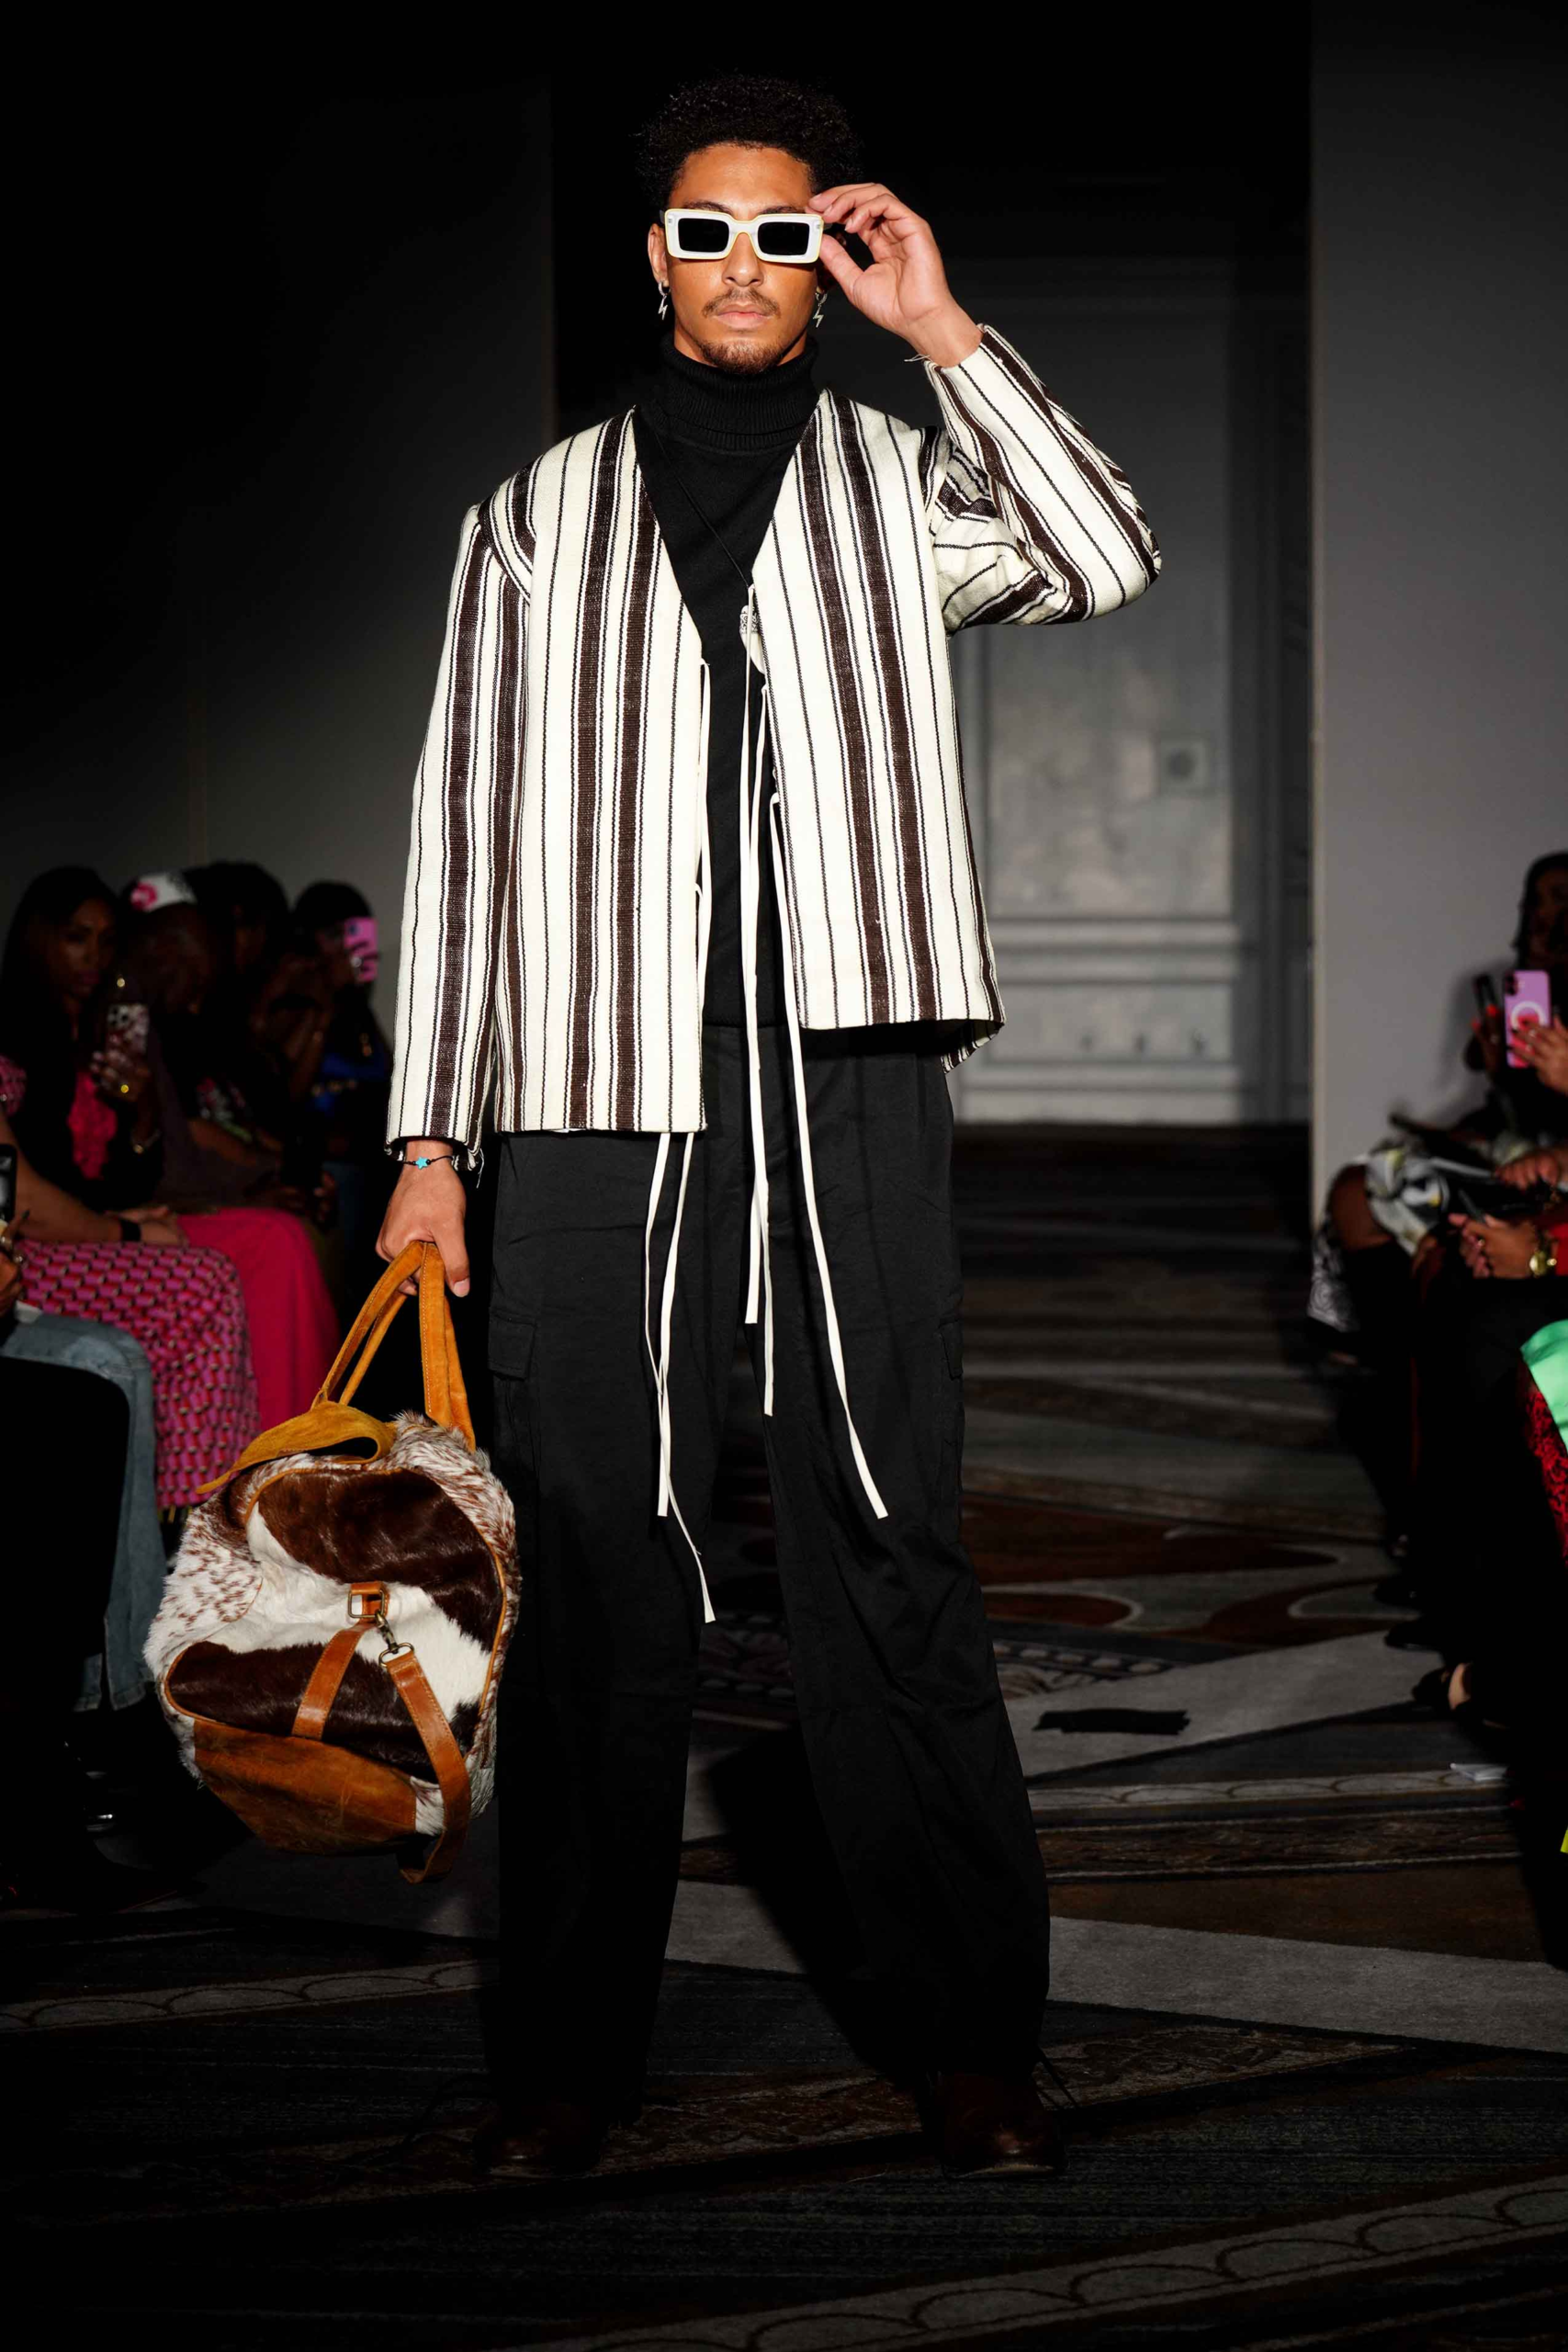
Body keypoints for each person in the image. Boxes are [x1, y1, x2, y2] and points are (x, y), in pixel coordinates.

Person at [379, 75, 1158, 2179]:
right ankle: (567, 2058)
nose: (743, 265)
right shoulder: (532, 520)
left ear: (829, 255)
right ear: (655, 255)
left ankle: (969, 2039)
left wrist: (943, 326)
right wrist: (431, 1141)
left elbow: (1100, 553)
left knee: (885, 1527)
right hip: (592, 1086)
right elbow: (463, 832)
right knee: (598, 1555)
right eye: (708, 230)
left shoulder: (897, 484)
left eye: (787, 232)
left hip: (848, 1060)